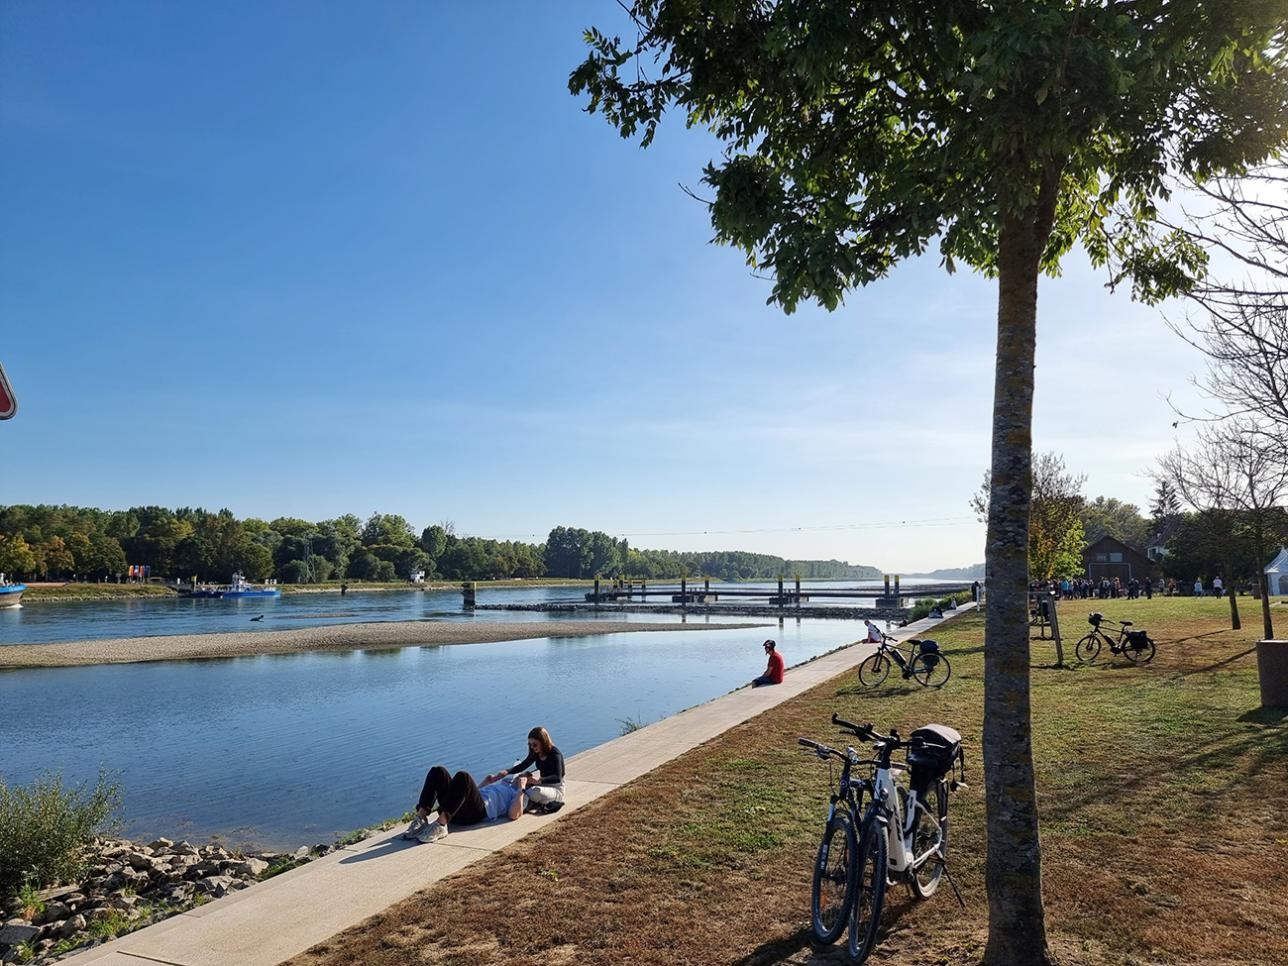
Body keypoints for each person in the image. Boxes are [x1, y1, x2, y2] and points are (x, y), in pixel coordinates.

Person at [403, 764, 533, 843]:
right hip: (462, 806)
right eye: (521, 775)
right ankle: (421, 818)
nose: (521, 777)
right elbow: (468, 792)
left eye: (525, 777)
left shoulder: (521, 795)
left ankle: (441, 825)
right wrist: (486, 783)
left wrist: (522, 788)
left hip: (476, 813)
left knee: (463, 776)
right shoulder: (505, 784)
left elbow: (514, 814)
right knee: (438, 771)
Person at [487, 726, 565, 810]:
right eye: (530, 744)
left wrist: (539, 780)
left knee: (533, 792)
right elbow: (524, 764)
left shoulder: (555, 754)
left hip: (556, 788)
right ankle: (516, 801)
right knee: (513, 782)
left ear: (543, 742)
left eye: (534, 744)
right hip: (542, 784)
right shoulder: (536, 752)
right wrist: (507, 771)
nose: (532, 747)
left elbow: (557, 778)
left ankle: (519, 806)